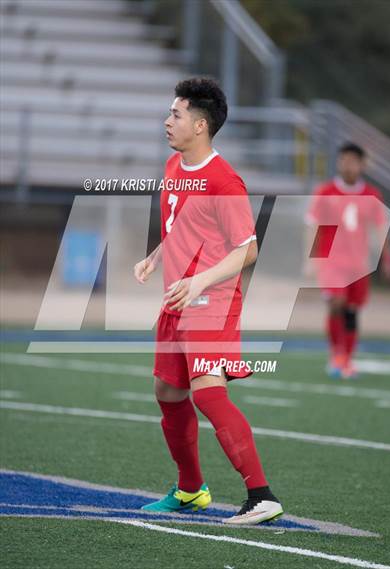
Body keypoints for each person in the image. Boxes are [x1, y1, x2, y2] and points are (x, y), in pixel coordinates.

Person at [133, 77, 283, 524]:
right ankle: (191, 490)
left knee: (207, 393)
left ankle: (261, 495)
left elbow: (247, 249)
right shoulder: (173, 166)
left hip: (212, 301)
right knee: (167, 390)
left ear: (200, 125)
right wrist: (155, 257)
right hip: (178, 299)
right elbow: (182, 229)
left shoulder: (224, 180)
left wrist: (199, 282)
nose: (167, 121)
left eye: (175, 114)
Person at [305, 142, 390, 379]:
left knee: (352, 311)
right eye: (344, 160)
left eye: (353, 161)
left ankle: (347, 359)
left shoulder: (372, 195)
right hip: (332, 261)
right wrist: (311, 259)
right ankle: (336, 353)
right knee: (336, 302)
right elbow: (313, 227)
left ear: (362, 165)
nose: (348, 165)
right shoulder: (325, 192)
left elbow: (380, 228)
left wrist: (387, 259)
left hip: (359, 263)